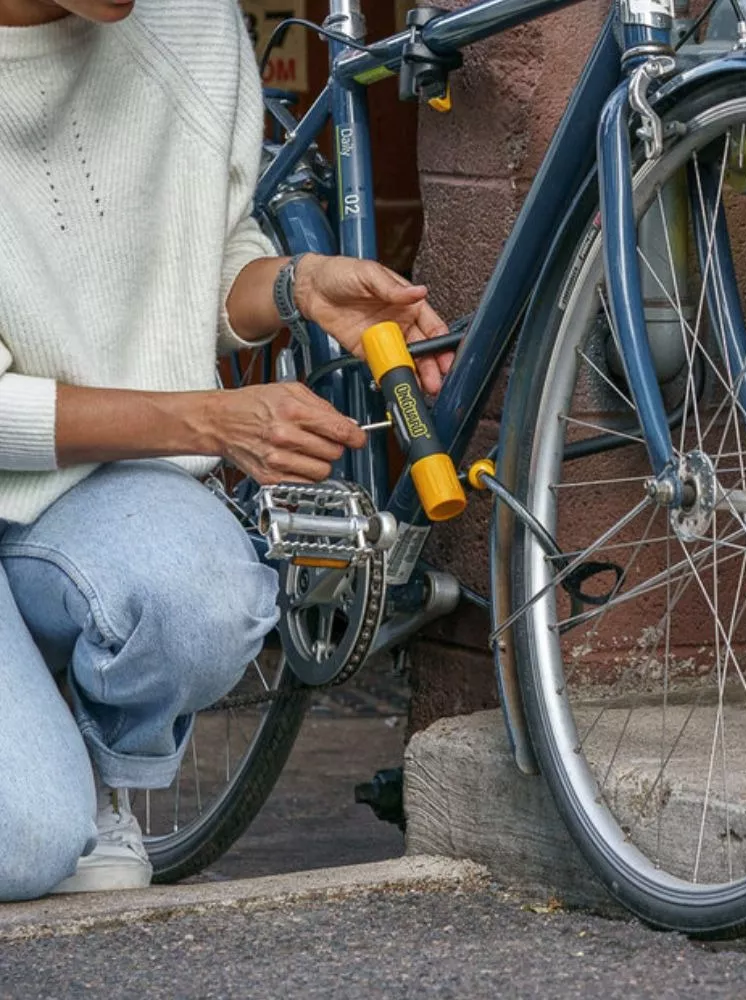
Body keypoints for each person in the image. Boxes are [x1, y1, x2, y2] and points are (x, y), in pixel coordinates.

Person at [0, 0, 450, 900]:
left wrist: (298, 286)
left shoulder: (194, 25)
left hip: (80, 496)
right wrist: (211, 420)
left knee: (205, 598)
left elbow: (200, 257)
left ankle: (85, 761)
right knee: (22, 845)